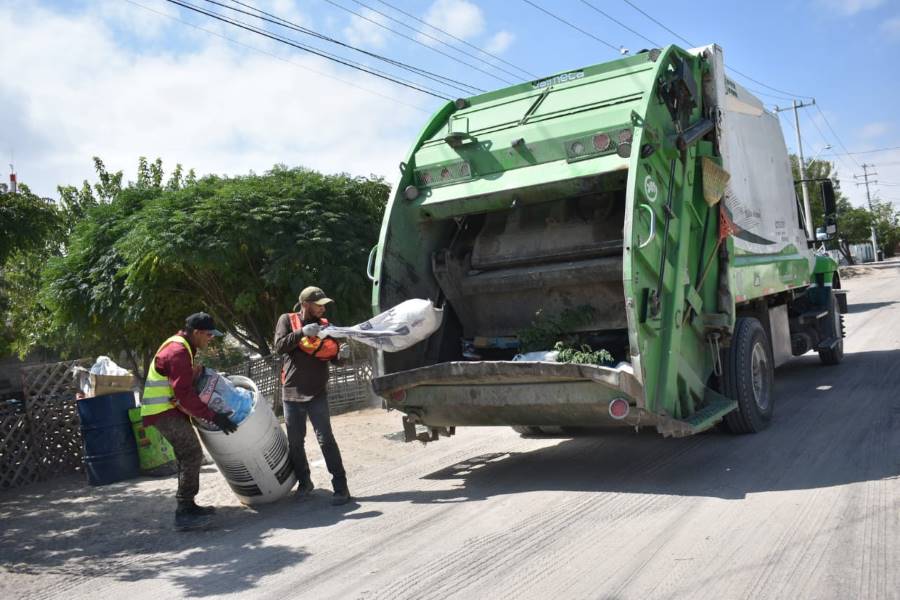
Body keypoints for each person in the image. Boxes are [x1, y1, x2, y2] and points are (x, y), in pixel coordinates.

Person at [141, 312, 238, 530]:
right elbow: (183, 393)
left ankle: (188, 505)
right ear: (196, 332)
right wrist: (214, 416)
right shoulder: (178, 351)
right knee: (191, 453)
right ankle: (184, 511)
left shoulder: (182, 346)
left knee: (188, 454)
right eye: (208, 335)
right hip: (163, 411)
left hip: (167, 409)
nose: (210, 339)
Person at [274, 286, 351, 506]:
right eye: (319, 304)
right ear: (306, 304)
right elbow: (279, 347)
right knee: (296, 443)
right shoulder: (287, 320)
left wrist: (342, 357)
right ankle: (305, 483)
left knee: (326, 439)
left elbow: (333, 358)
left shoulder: (326, 325)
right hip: (291, 393)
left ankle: (341, 487)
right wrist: (301, 333)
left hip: (317, 392)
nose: (323, 308)